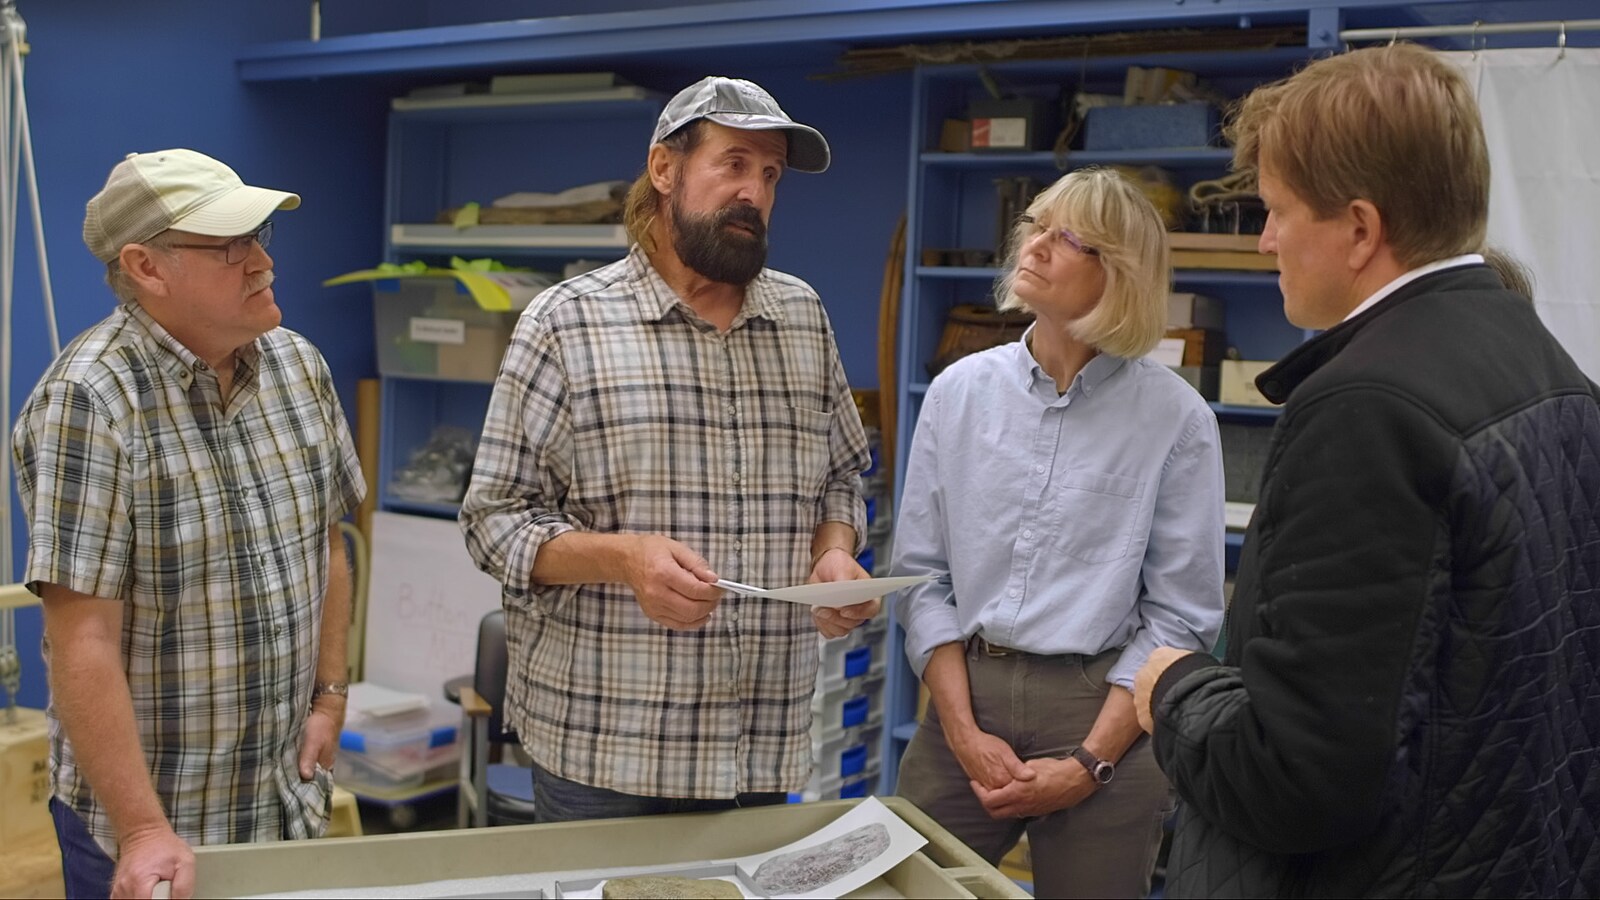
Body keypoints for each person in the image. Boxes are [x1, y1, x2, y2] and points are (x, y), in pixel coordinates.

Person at [1133, 43, 1600, 898]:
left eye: (1276, 211)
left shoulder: (1367, 410)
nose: (1266, 239)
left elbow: (1298, 779)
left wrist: (1174, 691)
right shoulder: (1550, 368)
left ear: (1359, 228)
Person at [458, 76, 877, 822]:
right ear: (664, 169)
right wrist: (623, 558)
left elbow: (842, 476)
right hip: (608, 752)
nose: (756, 191)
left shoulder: (801, 317)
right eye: (736, 163)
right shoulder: (567, 324)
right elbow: (494, 522)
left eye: (771, 174)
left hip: (760, 741)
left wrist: (834, 553)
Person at [12, 149, 365, 900]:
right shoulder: (90, 403)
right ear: (146, 266)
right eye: (231, 246)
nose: (263, 262)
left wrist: (330, 695)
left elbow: (327, 546)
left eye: (262, 235)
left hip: (282, 804)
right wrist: (143, 830)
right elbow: (83, 639)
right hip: (154, 833)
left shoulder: (300, 369)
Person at [891, 167, 1226, 899]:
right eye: (1035, 225)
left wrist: (1088, 764)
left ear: (1120, 274)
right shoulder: (959, 394)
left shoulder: (1176, 419)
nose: (1034, 245)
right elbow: (921, 578)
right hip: (962, 697)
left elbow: (1180, 617)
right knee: (894, 885)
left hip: (1104, 711)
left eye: (1066, 236)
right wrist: (959, 727)